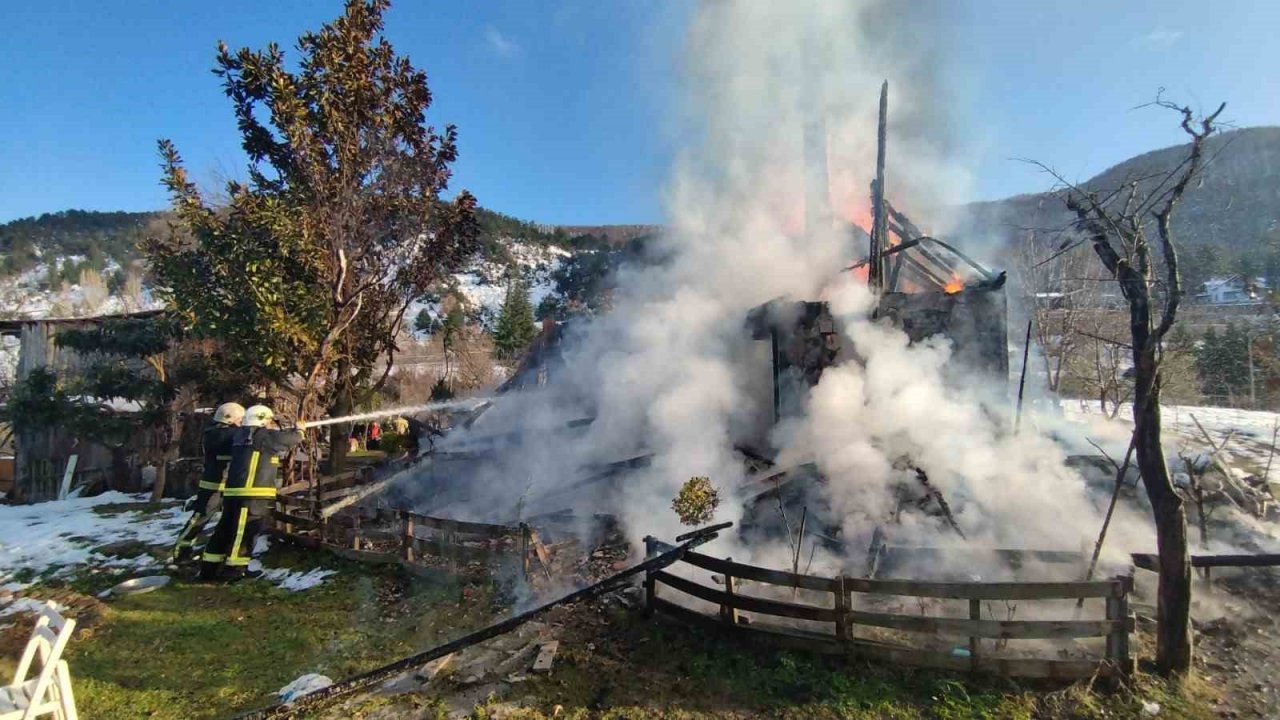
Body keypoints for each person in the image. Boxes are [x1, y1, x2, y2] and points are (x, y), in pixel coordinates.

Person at [199, 405, 303, 582]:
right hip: (251, 494)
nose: (271, 425)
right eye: (269, 421)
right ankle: (234, 571)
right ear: (262, 420)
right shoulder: (262, 436)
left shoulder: (240, 435)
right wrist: (300, 430)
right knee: (244, 532)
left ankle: (209, 568)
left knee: (224, 530)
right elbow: (289, 438)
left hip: (234, 493)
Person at [169, 402, 244, 564]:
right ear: (230, 419)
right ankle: (181, 550)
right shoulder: (216, 434)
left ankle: (219, 553)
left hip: (230, 484)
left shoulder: (227, 432)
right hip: (213, 485)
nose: (242, 422)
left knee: (228, 520)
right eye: (240, 419)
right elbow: (237, 436)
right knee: (201, 518)